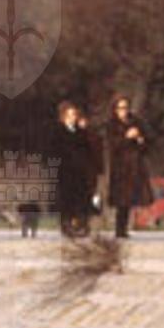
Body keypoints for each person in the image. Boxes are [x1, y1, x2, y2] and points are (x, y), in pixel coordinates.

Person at [103, 95, 153, 240]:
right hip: (120, 167)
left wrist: (139, 139)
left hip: (134, 166)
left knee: (130, 199)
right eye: (120, 108)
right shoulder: (111, 125)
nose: (123, 111)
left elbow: (147, 144)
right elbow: (112, 145)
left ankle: (124, 228)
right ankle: (119, 229)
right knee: (121, 200)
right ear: (115, 110)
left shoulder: (136, 122)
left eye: (125, 108)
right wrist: (126, 137)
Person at [54, 100, 100, 239]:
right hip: (65, 171)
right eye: (69, 115)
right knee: (67, 199)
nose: (72, 118)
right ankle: (66, 225)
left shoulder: (81, 132)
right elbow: (54, 151)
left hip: (80, 171)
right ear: (63, 116)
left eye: (74, 115)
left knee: (82, 199)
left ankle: (81, 225)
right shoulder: (58, 131)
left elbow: (89, 149)